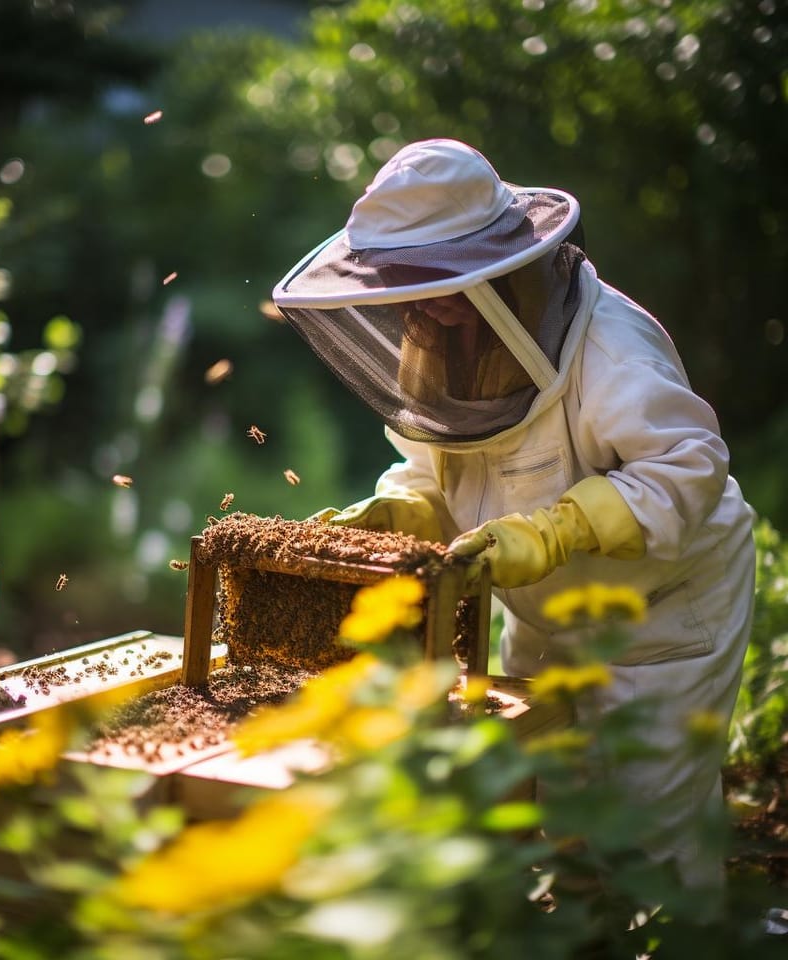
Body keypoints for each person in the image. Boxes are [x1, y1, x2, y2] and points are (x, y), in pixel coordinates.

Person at [271, 138, 756, 897]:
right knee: (554, 805)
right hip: (541, 609)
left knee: (651, 824)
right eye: (405, 284)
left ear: (497, 266)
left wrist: (560, 528)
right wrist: (403, 507)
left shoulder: (611, 349)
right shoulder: (440, 339)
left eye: (434, 283)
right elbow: (441, 464)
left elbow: (689, 465)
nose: (421, 306)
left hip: (663, 613)